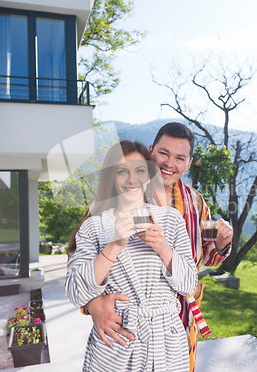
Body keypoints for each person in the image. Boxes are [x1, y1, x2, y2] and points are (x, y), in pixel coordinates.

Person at [83, 123, 234, 372]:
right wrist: (92, 304)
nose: (169, 163)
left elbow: (206, 255)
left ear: (189, 162)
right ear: (151, 150)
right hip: (128, 323)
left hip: (180, 319)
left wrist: (219, 244)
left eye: (179, 158)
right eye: (163, 153)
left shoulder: (196, 203)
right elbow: (79, 256)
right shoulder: (119, 193)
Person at [66, 140, 197, 372]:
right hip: (116, 344)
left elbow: (188, 286)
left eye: (139, 170)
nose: (131, 179)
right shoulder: (93, 228)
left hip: (167, 344)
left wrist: (163, 248)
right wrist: (114, 245)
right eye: (121, 171)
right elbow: (76, 293)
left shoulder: (171, 220)